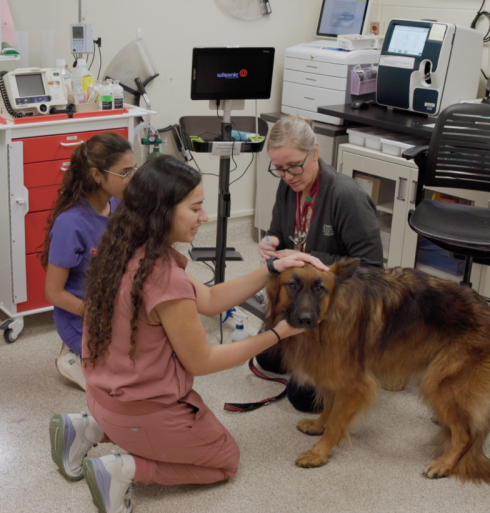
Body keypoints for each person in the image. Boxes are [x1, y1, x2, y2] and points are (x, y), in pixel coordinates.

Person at [48, 156, 327, 512]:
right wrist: (277, 334)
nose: (205, 217)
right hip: (141, 413)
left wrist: (270, 268)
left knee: (178, 431)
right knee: (225, 460)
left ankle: (86, 429)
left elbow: (209, 300)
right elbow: (204, 360)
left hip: (101, 398)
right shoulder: (164, 278)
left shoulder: (122, 247)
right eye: (195, 208)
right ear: (163, 211)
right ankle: (125, 469)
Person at [256, 114, 383, 412]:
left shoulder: (347, 196)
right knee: (267, 357)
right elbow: (279, 232)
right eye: (280, 169)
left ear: (315, 152)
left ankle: (356, 365)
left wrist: (307, 258)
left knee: (304, 400)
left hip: (335, 307)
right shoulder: (289, 186)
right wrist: (271, 242)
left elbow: (373, 270)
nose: (288, 176)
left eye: (294, 166)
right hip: (300, 294)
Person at [42, 132, 135, 390]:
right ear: (97, 175)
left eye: (133, 171)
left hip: (112, 307)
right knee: (123, 386)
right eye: (125, 172)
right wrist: (95, 314)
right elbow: (53, 292)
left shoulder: (117, 205)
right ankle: (73, 356)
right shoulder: (70, 224)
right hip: (81, 315)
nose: (132, 179)